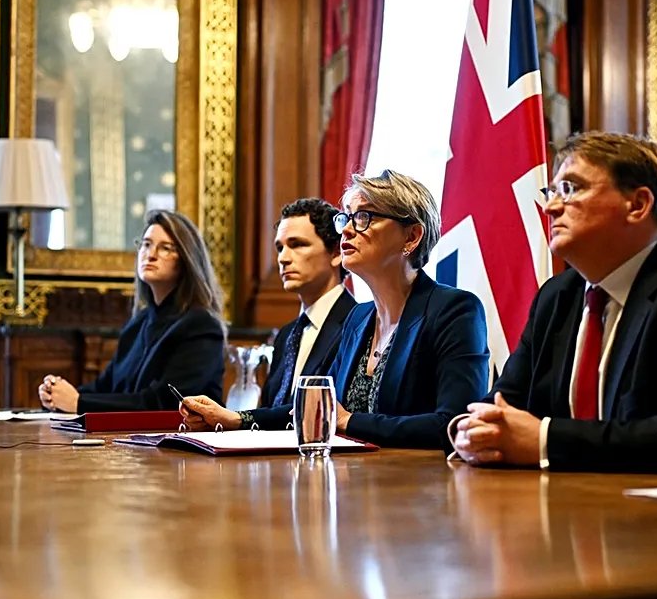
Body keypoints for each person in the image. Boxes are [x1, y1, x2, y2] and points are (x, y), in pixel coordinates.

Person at [450, 132, 657, 472]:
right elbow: (502, 403)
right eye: (551, 192)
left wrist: (545, 440)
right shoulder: (557, 297)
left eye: (571, 188)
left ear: (638, 205)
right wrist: (471, 431)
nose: (551, 207)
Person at [182, 170, 490, 449]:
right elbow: (316, 405)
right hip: (351, 488)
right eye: (346, 218)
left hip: (419, 495)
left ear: (411, 236)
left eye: (364, 217)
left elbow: (455, 424)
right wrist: (237, 419)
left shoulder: (454, 311)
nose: (346, 231)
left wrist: (347, 421)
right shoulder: (358, 319)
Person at [37, 209, 226, 412]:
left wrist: (78, 403)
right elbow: (106, 388)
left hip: (178, 441)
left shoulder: (201, 326)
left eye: (166, 248)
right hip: (131, 441)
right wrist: (58, 396)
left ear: (187, 260)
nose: (150, 255)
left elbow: (162, 403)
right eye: (146, 244)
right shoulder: (139, 323)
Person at [259, 198, 357, 407]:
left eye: (297, 245)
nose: (283, 258)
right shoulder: (286, 334)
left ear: (336, 252)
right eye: (280, 248)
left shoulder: (357, 325)